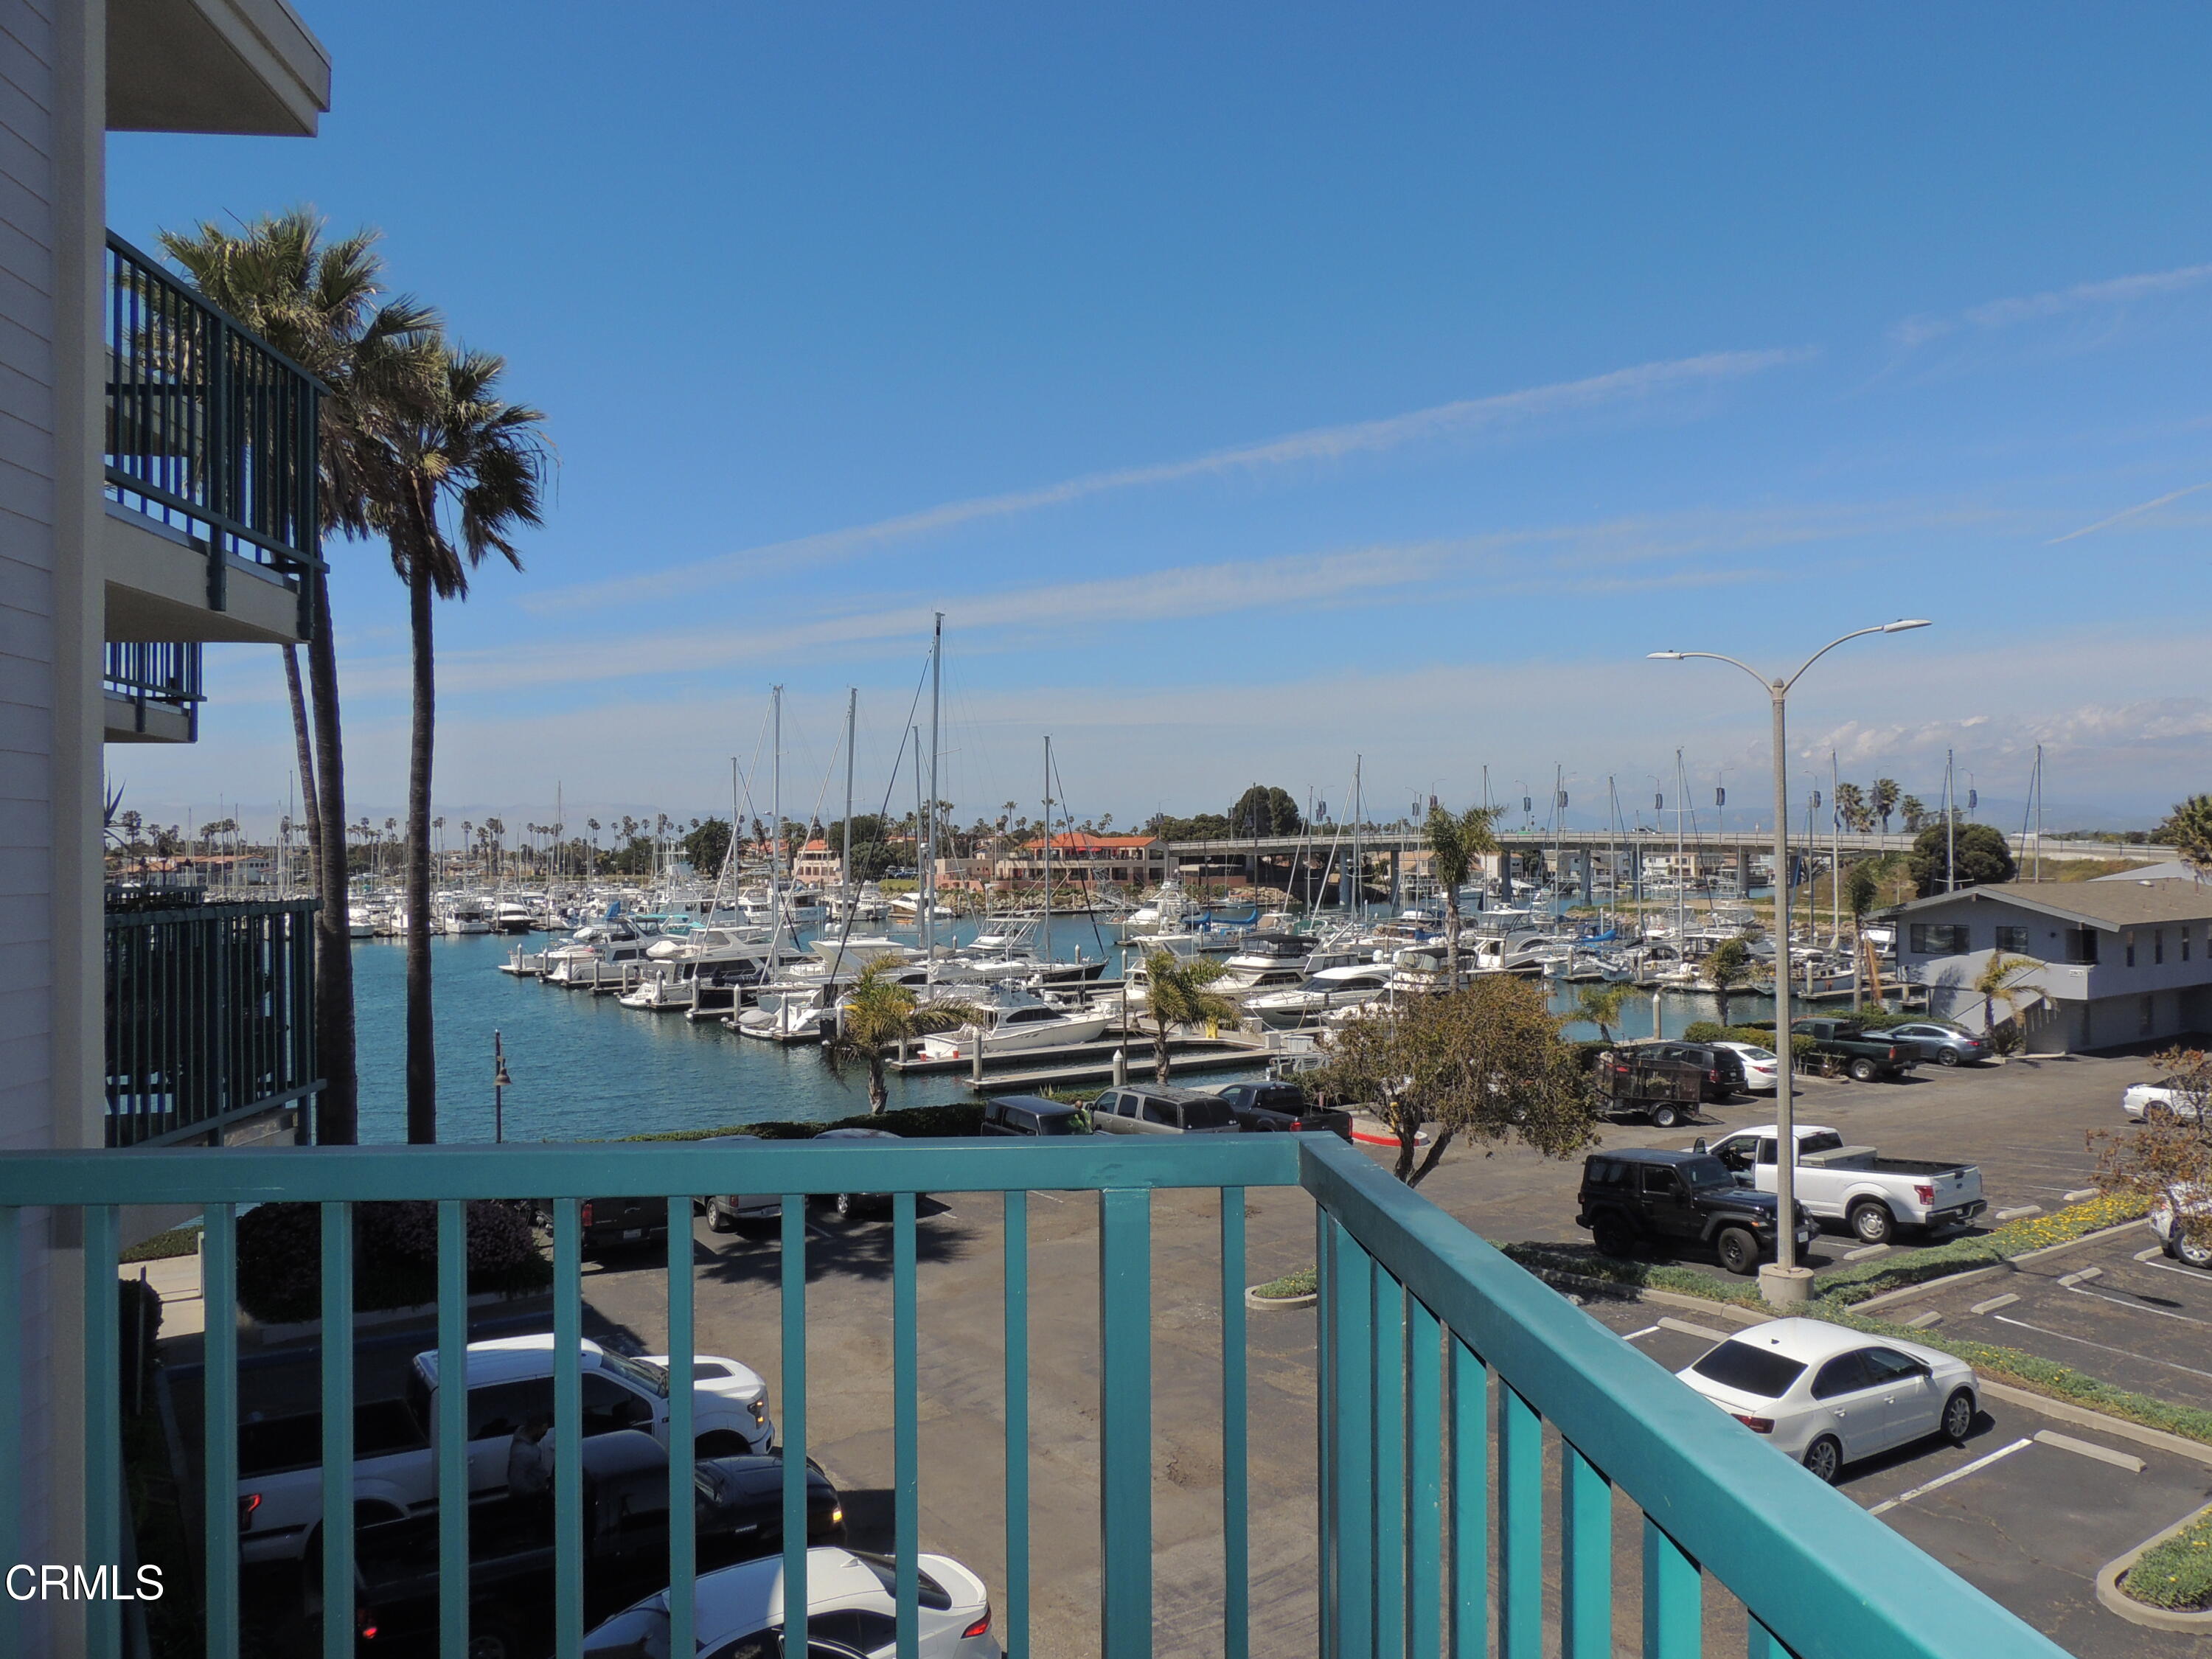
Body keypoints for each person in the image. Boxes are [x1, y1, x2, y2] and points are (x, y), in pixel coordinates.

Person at [507, 1415, 554, 1534]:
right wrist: (537, 1492)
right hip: (529, 1500)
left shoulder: (527, 1442)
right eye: (543, 1431)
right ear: (535, 1428)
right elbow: (517, 1484)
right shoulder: (522, 1452)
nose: (545, 1434)